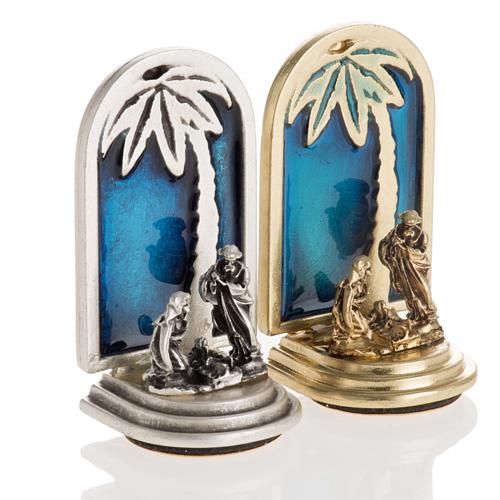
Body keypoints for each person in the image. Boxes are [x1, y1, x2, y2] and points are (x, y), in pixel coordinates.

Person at [199, 245, 257, 365]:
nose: (228, 263)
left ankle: (247, 351)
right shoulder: (217, 266)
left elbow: (242, 287)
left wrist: (224, 283)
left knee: (241, 325)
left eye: (231, 260)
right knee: (227, 326)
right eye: (226, 260)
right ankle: (236, 350)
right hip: (222, 301)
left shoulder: (243, 270)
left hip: (237, 303)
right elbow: (207, 278)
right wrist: (212, 281)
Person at [378, 210, 437, 322]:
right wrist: (393, 244)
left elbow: (421, 251)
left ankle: (426, 310)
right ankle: (415, 312)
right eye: (406, 223)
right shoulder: (396, 230)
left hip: (414, 265)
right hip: (400, 264)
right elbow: (386, 242)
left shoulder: (421, 234)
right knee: (406, 288)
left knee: (420, 286)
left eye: (411, 224)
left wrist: (406, 249)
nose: (408, 226)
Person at [145, 291, 191, 386]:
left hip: (174, 346)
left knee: (185, 365)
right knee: (179, 367)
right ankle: (169, 381)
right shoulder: (167, 322)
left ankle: (176, 380)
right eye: (186, 304)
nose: (188, 307)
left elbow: (178, 336)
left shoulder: (180, 320)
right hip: (166, 347)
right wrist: (165, 361)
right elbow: (161, 342)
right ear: (179, 306)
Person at [331, 255, 373, 341]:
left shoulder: (360, 284)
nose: (369, 273)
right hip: (350, 313)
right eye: (367, 270)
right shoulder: (350, 287)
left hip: (355, 311)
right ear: (361, 270)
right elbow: (346, 308)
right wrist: (349, 327)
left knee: (365, 328)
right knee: (362, 330)